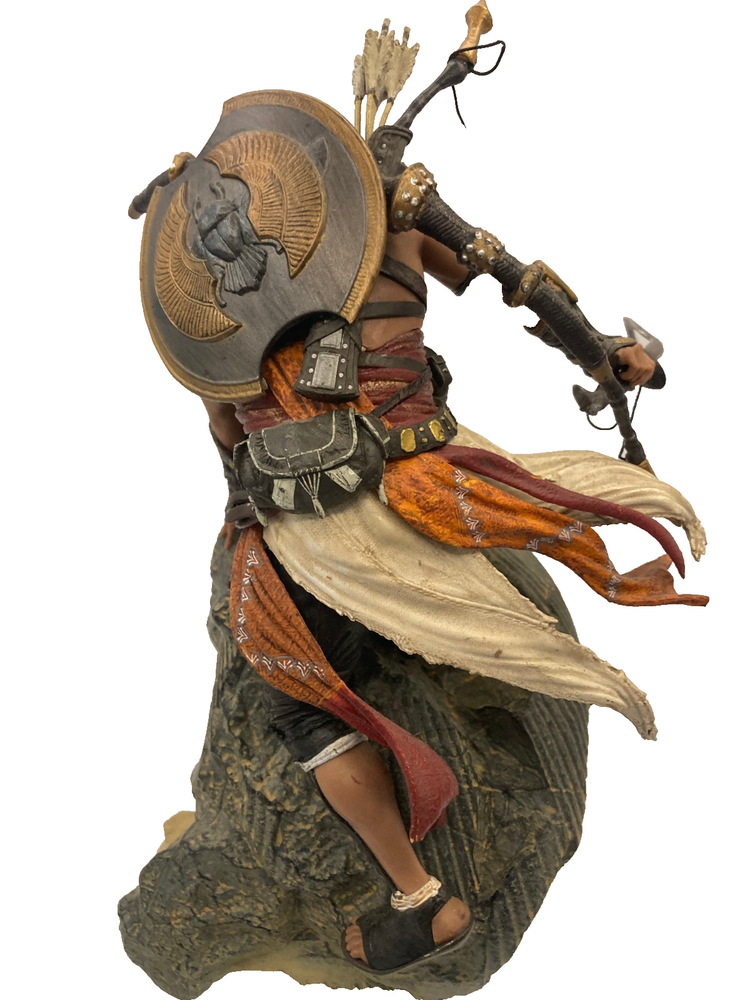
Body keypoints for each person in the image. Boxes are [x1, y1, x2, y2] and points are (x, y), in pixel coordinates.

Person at [200, 225, 669, 973]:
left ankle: (423, 904)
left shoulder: (206, 285)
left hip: (317, 512)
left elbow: (225, 421)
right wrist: (604, 351)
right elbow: (521, 284)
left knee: (300, 704)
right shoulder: (398, 220)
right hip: (428, 472)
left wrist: (245, 487)